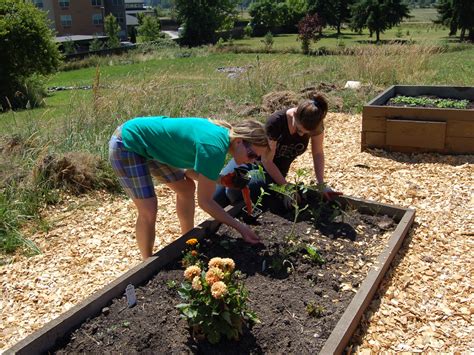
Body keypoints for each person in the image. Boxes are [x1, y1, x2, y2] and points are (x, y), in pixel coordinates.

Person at [109, 116, 270, 259]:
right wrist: (241, 227)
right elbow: (205, 202)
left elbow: (190, 171)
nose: (252, 161)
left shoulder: (222, 138)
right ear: (239, 141)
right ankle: (147, 264)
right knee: (148, 209)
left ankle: (187, 241)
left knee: (186, 189)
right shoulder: (214, 148)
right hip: (128, 142)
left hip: (150, 145)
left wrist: (222, 180)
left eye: (257, 158)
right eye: (252, 155)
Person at [214, 93, 341, 208]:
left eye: (306, 133)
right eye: (299, 130)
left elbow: (318, 153)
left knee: (236, 192)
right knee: (216, 198)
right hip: (252, 162)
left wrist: (321, 184)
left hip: (273, 174)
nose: (301, 135)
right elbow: (266, 160)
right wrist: (287, 189)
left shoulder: (315, 125)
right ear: (295, 114)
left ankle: (242, 215)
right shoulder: (276, 122)